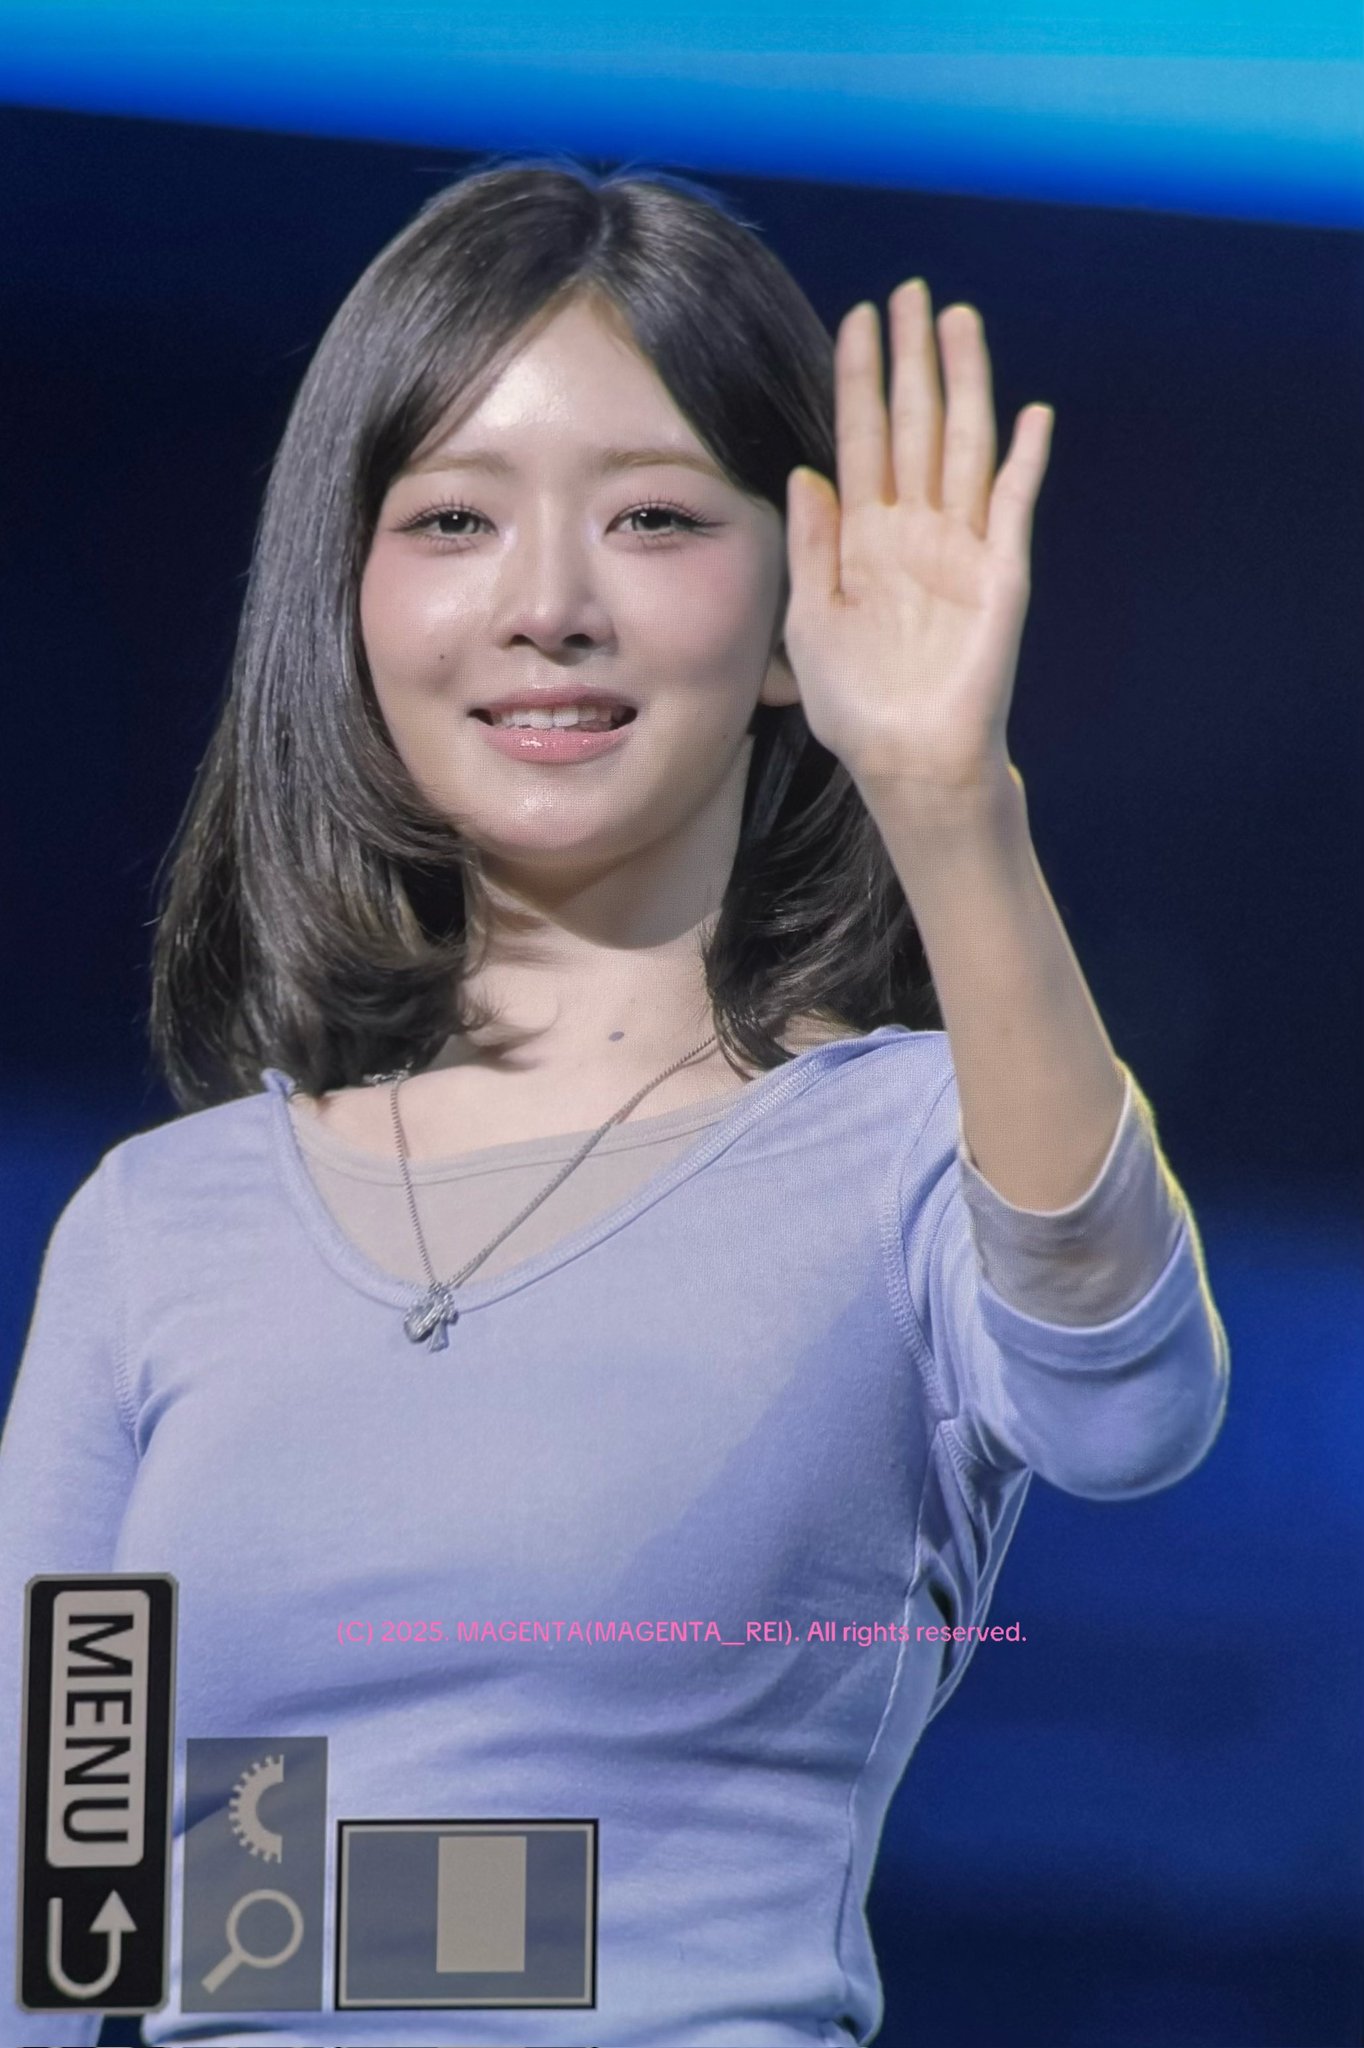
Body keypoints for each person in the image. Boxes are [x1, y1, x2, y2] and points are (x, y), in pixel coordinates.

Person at [0, 151, 1230, 2047]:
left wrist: (946, 800)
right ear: (350, 594)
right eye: (454, 519)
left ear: (796, 598)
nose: (548, 605)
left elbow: (1130, 1409)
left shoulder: (914, 1148)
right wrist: (405, 1924)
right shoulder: (159, 1229)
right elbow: (70, 1903)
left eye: (653, 517)